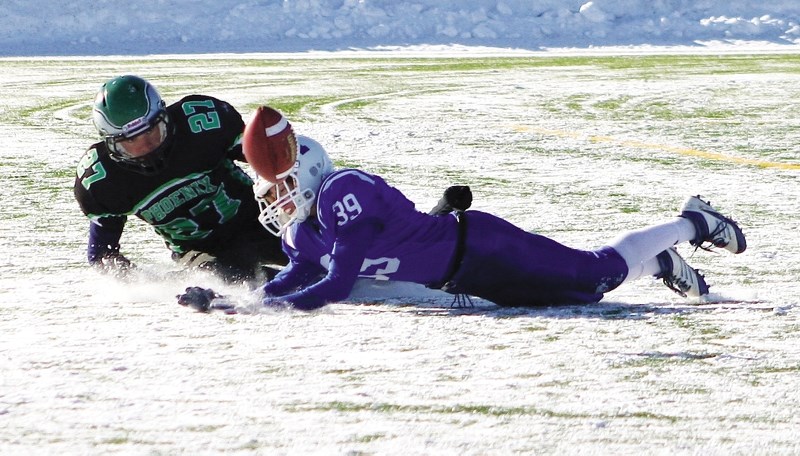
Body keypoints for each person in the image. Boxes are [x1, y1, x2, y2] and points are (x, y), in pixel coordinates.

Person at [177, 117, 746, 311]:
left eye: (277, 188)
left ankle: (692, 220)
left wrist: (261, 310)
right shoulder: (307, 227)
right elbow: (296, 276)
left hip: (480, 246)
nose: (274, 202)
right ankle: (657, 264)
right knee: (581, 297)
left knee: (592, 274)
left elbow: (338, 281)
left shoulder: (339, 193)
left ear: (302, 174)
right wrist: (240, 302)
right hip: (465, 275)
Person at [74, 75, 287, 282]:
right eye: (130, 141)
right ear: (111, 144)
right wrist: (140, 283)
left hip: (258, 219)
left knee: (309, 247)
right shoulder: (104, 180)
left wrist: (281, 193)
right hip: (200, 251)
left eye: (152, 131)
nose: (146, 146)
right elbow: (102, 253)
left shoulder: (199, 126)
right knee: (231, 279)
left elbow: (270, 159)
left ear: (165, 117)